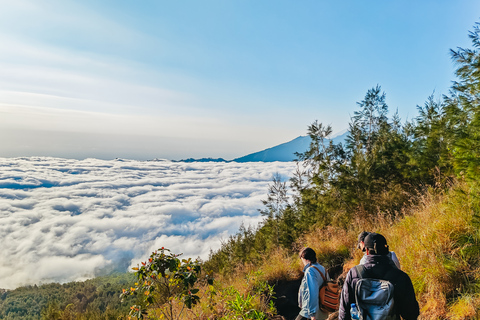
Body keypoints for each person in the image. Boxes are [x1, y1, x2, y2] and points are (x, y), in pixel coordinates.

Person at [339, 233, 419, 320]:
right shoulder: (400, 276)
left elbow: (344, 310)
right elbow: (411, 313)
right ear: (387, 250)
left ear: (367, 251)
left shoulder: (354, 273)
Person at [296, 247, 329, 320]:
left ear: (305, 259)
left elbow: (313, 292)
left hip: (309, 312)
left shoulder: (310, 271)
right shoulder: (322, 268)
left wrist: (312, 313)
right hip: (323, 310)